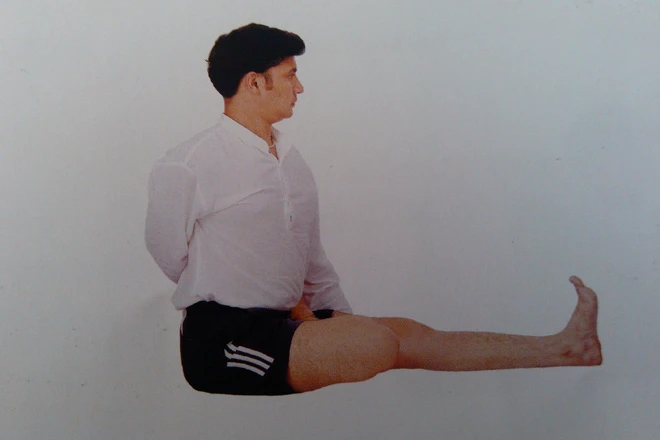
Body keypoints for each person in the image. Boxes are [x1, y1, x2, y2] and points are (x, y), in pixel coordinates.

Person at [145, 23, 602, 396]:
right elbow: (169, 254)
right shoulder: (190, 163)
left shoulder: (291, 161)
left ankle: (563, 348)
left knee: (408, 333)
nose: (300, 87)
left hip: (290, 320)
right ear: (255, 82)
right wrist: (240, 288)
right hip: (224, 339)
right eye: (289, 75)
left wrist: (335, 314)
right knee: (375, 343)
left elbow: (311, 255)